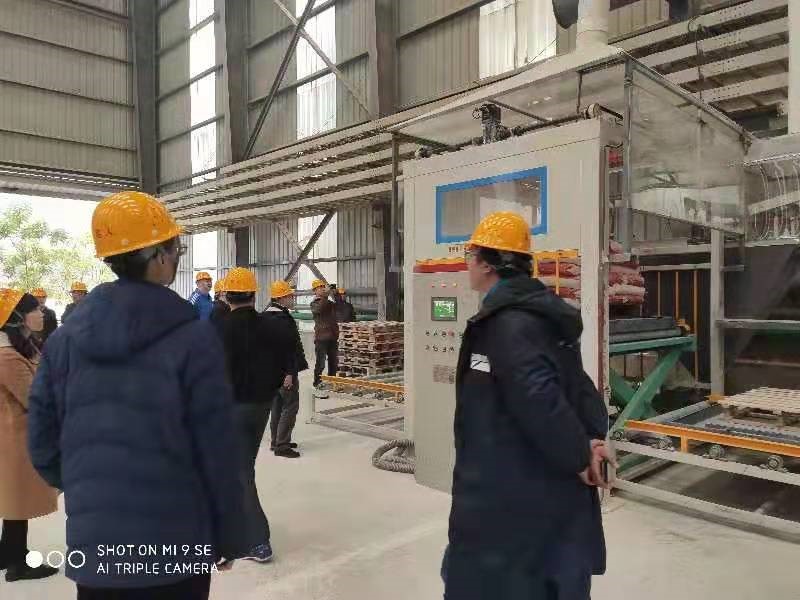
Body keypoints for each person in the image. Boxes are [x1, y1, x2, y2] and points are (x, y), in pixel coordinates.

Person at [27, 191, 247, 600]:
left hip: (98, 549)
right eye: (176, 248)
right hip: (176, 543)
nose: (177, 256)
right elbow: (217, 448)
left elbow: (40, 440)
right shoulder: (194, 338)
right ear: (158, 256)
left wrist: (86, 483)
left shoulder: (64, 341)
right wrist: (231, 533)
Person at [442, 212, 614, 600]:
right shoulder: (540, 313)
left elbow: (541, 399)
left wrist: (579, 454)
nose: (467, 264)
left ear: (487, 263)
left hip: (509, 492)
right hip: (532, 485)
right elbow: (576, 383)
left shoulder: (508, 325)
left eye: (470, 255)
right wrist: (592, 436)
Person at [220, 268, 291, 563]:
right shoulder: (271, 326)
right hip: (261, 406)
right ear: (253, 294)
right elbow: (283, 365)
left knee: (240, 472)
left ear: (226, 296)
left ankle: (257, 541)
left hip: (231, 409)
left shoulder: (218, 330)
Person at [0, 289, 59, 583]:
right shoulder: (7, 356)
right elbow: (34, 398)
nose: (42, 313)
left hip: (18, 435)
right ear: (17, 318)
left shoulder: (20, 349)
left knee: (15, 499)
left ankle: (7, 553)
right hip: (16, 437)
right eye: (35, 309)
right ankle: (17, 564)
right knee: (18, 498)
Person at [263, 280, 308, 459]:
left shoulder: (265, 316)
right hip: (284, 372)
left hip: (271, 372)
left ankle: (276, 441)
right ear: (281, 298)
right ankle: (282, 445)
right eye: (290, 296)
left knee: (277, 406)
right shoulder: (282, 320)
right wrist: (289, 373)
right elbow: (288, 349)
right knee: (290, 406)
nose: (293, 299)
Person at [310, 279, 338, 398]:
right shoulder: (314, 304)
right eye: (319, 287)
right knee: (320, 363)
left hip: (332, 336)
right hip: (321, 338)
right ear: (315, 291)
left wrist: (335, 294)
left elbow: (337, 308)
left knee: (333, 362)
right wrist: (325, 296)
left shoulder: (328, 302)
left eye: (323, 287)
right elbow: (320, 309)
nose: (322, 289)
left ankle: (332, 383)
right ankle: (317, 384)